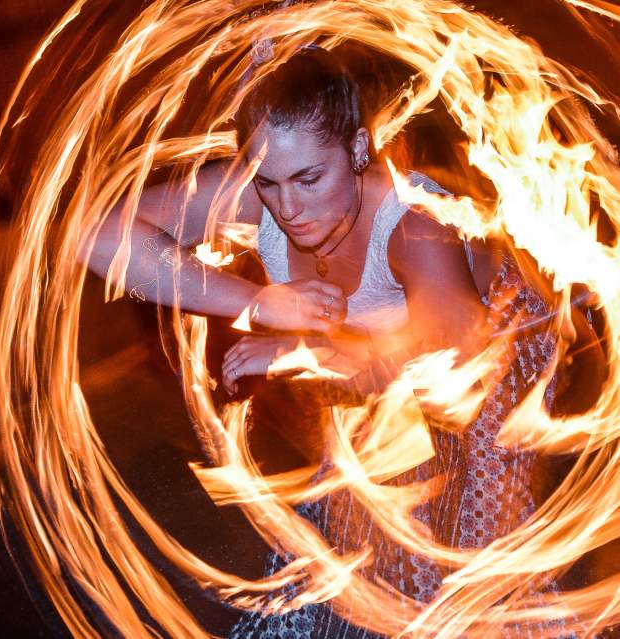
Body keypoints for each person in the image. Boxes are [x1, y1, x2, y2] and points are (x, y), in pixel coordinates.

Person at [87, 46, 581, 637]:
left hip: (491, 356)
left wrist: (306, 352)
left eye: (308, 178)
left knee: (466, 559)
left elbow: (451, 362)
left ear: (356, 150)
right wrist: (254, 303)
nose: (288, 207)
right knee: (352, 548)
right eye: (267, 181)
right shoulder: (263, 195)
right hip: (374, 359)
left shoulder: (417, 225)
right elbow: (96, 236)